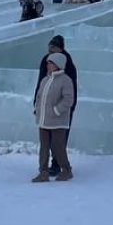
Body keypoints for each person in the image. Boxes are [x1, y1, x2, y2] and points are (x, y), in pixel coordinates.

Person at [36, 35, 78, 177]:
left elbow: (70, 93)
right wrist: (37, 104)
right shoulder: (46, 60)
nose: (50, 49)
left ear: (60, 48)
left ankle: (59, 166)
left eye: (53, 47)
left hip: (59, 111)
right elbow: (41, 83)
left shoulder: (67, 64)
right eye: (49, 46)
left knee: (58, 143)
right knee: (45, 144)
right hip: (45, 110)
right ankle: (43, 171)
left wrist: (61, 109)